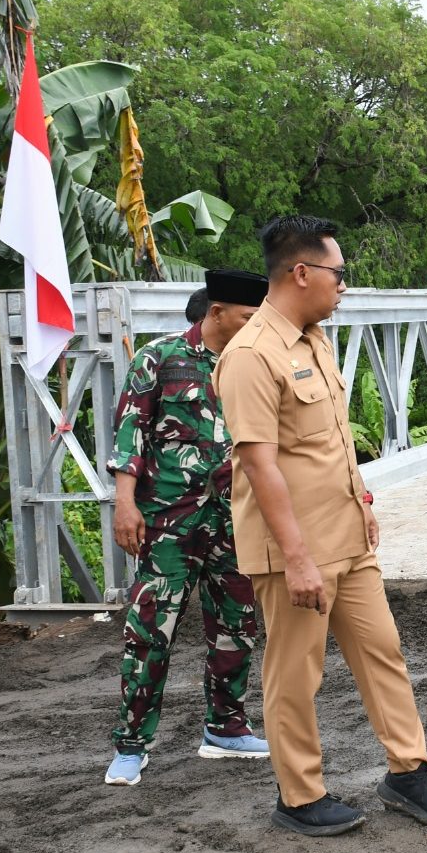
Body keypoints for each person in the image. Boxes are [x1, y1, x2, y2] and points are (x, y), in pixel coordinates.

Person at [215, 215, 427, 836]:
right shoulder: (250, 355)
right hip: (295, 550)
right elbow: (260, 464)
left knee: (383, 652)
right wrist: (297, 557)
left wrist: (364, 501)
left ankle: (409, 770)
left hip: (348, 536)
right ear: (302, 273)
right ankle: (300, 795)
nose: (344, 285)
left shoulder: (315, 339)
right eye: (338, 273)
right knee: (296, 674)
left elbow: (330, 443)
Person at [103, 270, 271, 787]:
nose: (256, 325)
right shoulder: (160, 357)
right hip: (168, 523)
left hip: (235, 520)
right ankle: (131, 745)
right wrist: (125, 505)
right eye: (248, 317)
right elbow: (130, 433)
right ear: (217, 312)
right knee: (150, 632)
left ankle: (225, 728)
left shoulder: (256, 361)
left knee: (237, 627)